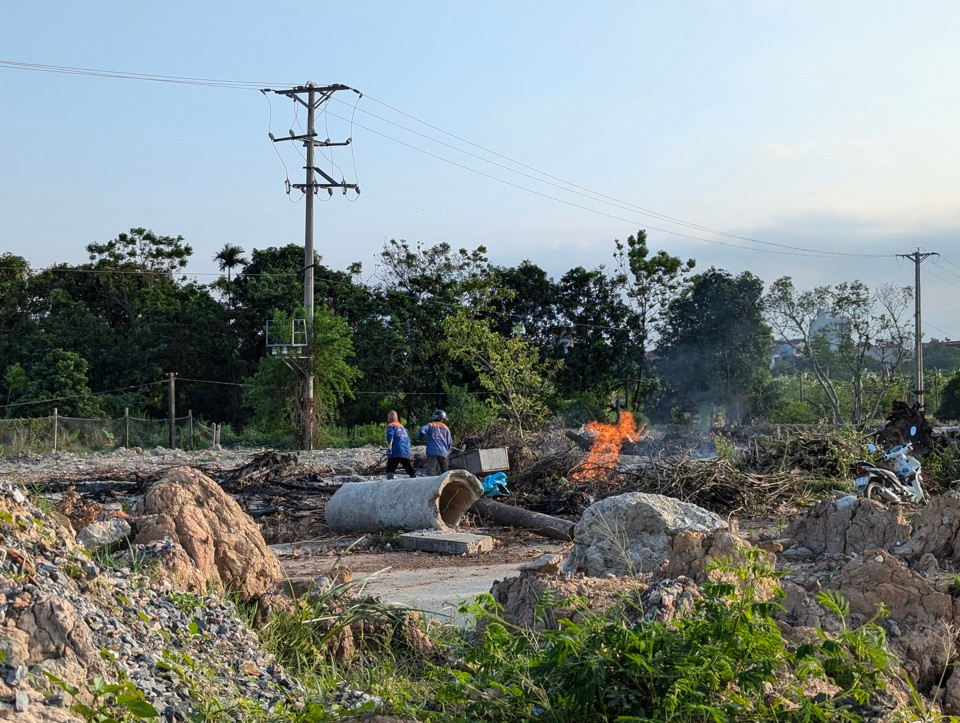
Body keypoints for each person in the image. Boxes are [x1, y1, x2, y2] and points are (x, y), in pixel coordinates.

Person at [417, 409, 452, 476]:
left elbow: (422, 431)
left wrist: (420, 438)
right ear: (442, 419)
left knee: (431, 473)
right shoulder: (446, 428)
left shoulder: (430, 425)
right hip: (443, 453)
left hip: (432, 453)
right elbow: (450, 443)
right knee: (445, 475)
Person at [385, 410, 416, 480]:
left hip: (395, 450)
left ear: (390, 417)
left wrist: (389, 447)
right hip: (404, 451)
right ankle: (415, 480)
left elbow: (390, 436)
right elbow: (407, 440)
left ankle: (389, 484)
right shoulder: (403, 427)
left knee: (390, 469)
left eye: (388, 417)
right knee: (409, 468)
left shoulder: (391, 425)